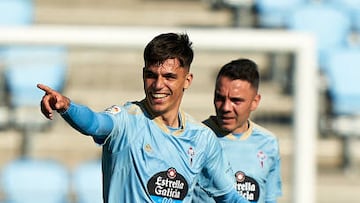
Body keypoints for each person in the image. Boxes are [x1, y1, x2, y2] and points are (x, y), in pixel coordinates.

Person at [37, 33, 250, 203]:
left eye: (169, 77)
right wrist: (67, 107)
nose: (158, 85)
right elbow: (94, 123)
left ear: (187, 80)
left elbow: (229, 197)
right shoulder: (127, 120)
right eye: (151, 75)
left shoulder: (202, 139)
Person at [193, 59, 282, 203]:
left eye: (236, 100)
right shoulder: (195, 138)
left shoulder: (268, 143)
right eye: (220, 98)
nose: (226, 107)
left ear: (255, 102)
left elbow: (270, 199)